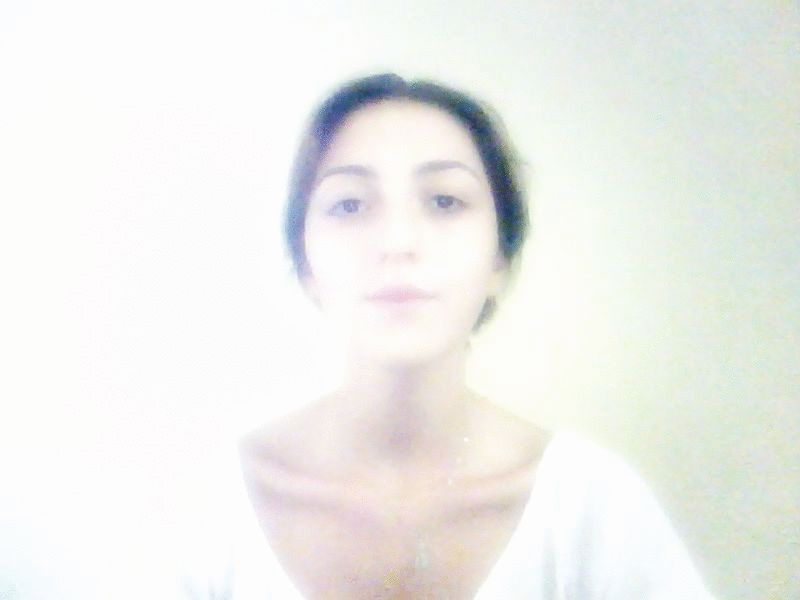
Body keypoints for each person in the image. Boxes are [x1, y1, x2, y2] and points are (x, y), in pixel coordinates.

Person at [175, 73, 714, 599]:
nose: (398, 241)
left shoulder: (593, 512)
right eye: (350, 204)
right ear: (305, 263)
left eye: (444, 201)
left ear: (500, 259)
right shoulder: (209, 509)